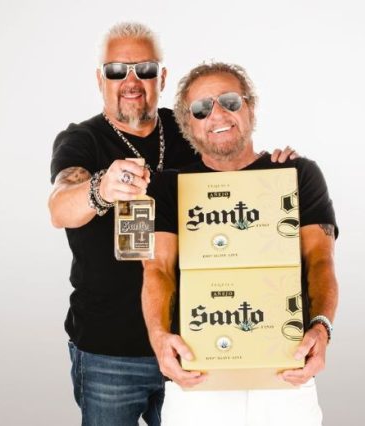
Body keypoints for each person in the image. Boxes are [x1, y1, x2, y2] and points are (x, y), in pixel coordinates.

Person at [48, 23, 296, 426]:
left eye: (144, 69)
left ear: (161, 77)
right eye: (117, 70)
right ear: (100, 79)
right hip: (109, 353)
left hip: (192, 343)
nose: (131, 81)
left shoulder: (185, 130)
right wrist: (101, 187)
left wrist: (275, 170)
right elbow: (60, 207)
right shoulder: (82, 140)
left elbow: (234, 170)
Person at [141, 62, 339, 426]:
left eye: (230, 101)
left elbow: (320, 260)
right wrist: (158, 336)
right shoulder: (168, 188)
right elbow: (158, 268)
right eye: (202, 108)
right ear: (188, 123)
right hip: (199, 381)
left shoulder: (298, 174)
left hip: (285, 376)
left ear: (250, 108)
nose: (218, 114)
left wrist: (322, 328)